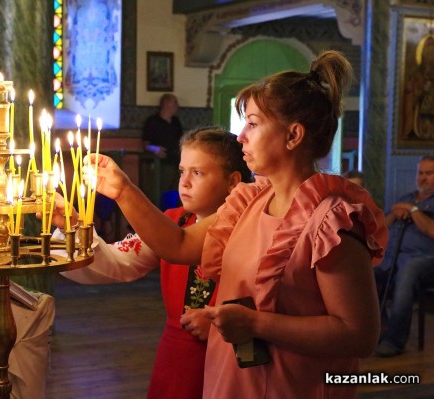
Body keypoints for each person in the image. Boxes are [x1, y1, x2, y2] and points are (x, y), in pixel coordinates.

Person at [90, 50, 388, 398]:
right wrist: (122, 190)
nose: (241, 136)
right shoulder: (250, 201)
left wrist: (256, 323)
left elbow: (358, 334)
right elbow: (179, 245)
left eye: (253, 123)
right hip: (233, 380)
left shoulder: (331, 221)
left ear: (293, 136)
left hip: (293, 386)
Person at [55, 127, 252, 399]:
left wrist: (221, 327)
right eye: (182, 171)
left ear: (233, 182)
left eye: (198, 173)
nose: (184, 183)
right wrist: (71, 226)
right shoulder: (171, 223)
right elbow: (117, 262)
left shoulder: (252, 228)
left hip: (231, 358)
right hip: (175, 356)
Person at [374, 155, 434, 357]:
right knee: (365, 270)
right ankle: (378, 327)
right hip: (394, 258)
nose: (423, 178)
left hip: (428, 262)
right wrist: (395, 213)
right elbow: (379, 229)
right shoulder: (406, 198)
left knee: (408, 271)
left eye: (429, 173)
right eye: (420, 173)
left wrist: (413, 210)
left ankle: (395, 341)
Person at [142, 93, 184, 198]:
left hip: (176, 163)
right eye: (175, 102)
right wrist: (155, 149)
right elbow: (145, 144)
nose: (177, 106)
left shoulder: (176, 122)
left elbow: (181, 140)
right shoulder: (152, 122)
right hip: (159, 164)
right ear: (167, 104)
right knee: (158, 192)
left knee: (175, 193)